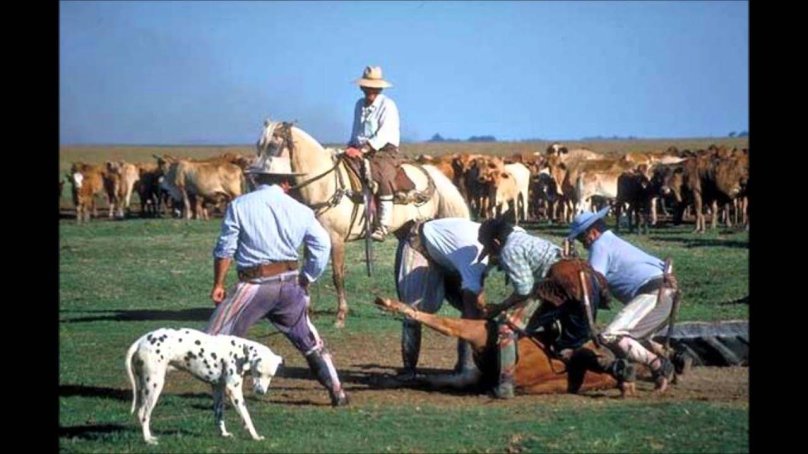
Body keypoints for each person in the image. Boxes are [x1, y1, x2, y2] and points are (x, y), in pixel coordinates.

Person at [205, 155, 349, 407]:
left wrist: (218, 284)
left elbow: (225, 249)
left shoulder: (239, 206)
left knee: (213, 338)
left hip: (254, 286)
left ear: (256, 178)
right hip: (290, 285)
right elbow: (322, 243)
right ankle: (337, 390)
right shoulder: (302, 210)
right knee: (310, 341)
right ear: (284, 182)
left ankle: (226, 392)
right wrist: (308, 276)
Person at [568, 206, 687, 393]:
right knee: (633, 337)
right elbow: (663, 266)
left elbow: (594, 283)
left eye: (582, 237)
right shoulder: (613, 242)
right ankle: (674, 357)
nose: (583, 243)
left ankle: (659, 365)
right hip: (662, 292)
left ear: (593, 232)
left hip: (651, 293)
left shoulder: (600, 246)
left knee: (611, 334)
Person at [394, 218, 489, 386]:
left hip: (449, 256)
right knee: (413, 310)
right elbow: (471, 309)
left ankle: (464, 366)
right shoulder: (474, 260)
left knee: (476, 310)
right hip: (420, 244)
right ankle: (409, 371)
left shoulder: (511, 239)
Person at [476, 219, 563, 399]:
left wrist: (500, 307)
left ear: (496, 243)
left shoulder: (509, 250)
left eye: (490, 249)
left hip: (552, 285)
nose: (491, 254)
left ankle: (506, 384)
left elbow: (524, 289)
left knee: (506, 326)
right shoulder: (519, 237)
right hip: (565, 276)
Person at [345, 65, 403, 242]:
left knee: (383, 175)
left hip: (384, 150)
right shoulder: (359, 105)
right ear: (362, 87)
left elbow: (384, 133)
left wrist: (364, 149)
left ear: (379, 88)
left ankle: (383, 225)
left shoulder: (387, 105)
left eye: (374, 87)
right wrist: (351, 145)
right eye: (367, 87)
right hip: (360, 148)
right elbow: (356, 129)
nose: (370, 91)